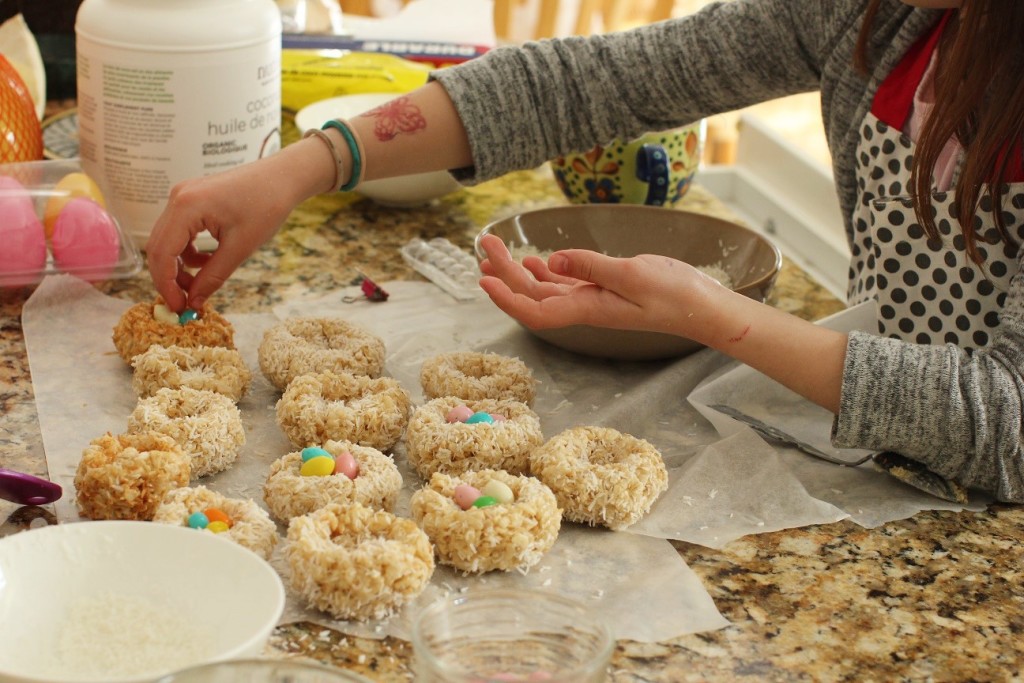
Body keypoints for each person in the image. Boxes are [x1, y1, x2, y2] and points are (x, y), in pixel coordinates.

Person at [145, 0, 1024, 502]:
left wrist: (719, 317)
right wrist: (312, 162)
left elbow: (1010, 423)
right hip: (874, 459)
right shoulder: (882, 15)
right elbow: (591, 84)